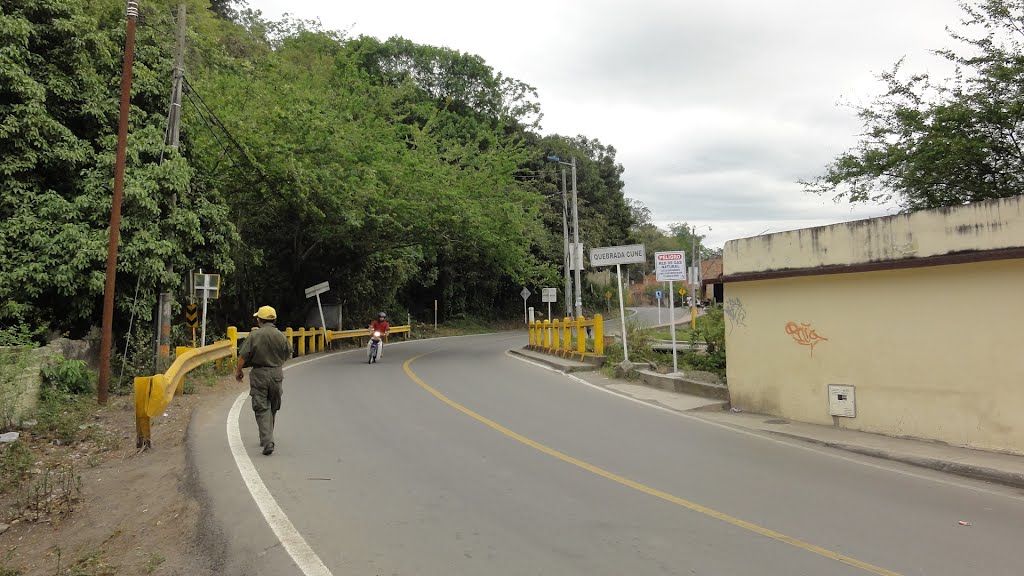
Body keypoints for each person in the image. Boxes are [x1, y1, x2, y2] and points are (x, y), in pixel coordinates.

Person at [236, 305, 291, 455]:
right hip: (276, 374)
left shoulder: (255, 335)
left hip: (259, 374)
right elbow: (288, 353)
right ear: (273, 319)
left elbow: (242, 357)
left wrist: (239, 371)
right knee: (273, 405)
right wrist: (276, 364)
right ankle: (267, 436)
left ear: (259, 320)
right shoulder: (280, 335)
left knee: (261, 407)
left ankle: (267, 440)